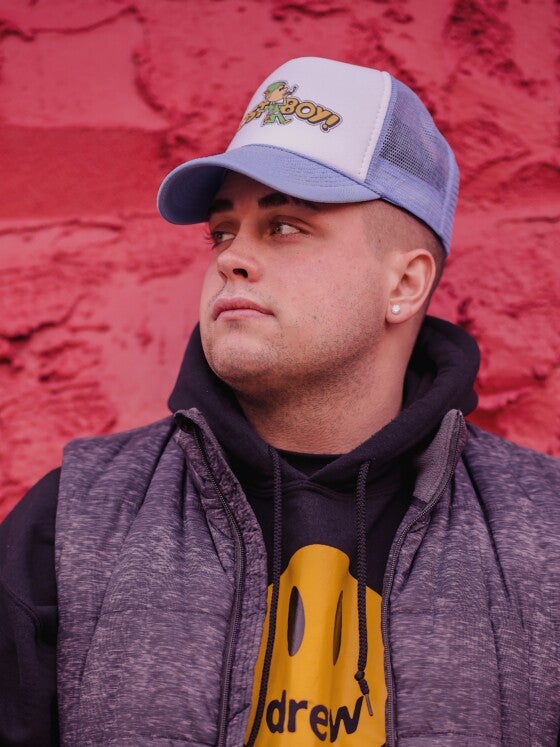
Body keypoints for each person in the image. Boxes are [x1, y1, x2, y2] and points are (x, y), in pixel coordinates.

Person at [0, 56, 558, 747]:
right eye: (222, 231)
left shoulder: (546, 534)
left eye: (285, 226)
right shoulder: (70, 525)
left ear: (405, 285)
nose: (230, 258)